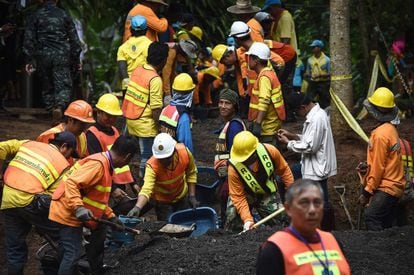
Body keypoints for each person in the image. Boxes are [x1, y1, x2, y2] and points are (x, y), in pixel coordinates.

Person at [49, 135, 139, 274]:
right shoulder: (98, 165)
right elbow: (71, 183)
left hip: (69, 208)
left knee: (67, 251)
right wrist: (78, 207)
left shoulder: (105, 164)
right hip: (67, 210)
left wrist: (111, 217)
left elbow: (97, 199)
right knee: (73, 254)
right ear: (127, 157)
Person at [0, 132, 78, 275]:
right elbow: (55, 197)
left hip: (7, 199)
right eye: (70, 154)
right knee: (65, 238)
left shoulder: (27, 144)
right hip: (30, 202)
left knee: (15, 250)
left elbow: (1, 147)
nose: (69, 158)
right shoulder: (62, 164)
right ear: (64, 147)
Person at [257, 179, 351, 275]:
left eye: (317, 202)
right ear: (288, 208)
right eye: (304, 203)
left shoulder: (333, 241)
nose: (312, 210)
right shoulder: (274, 249)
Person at [277, 91, 337, 230]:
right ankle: (295, 212)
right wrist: (293, 136)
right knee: (285, 177)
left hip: (317, 167)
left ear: (302, 107)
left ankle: (327, 230)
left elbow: (311, 146)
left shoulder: (317, 119)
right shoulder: (315, 115)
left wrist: (288, 143)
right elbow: (309, 138)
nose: (297, 115)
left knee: (321, 201)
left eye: (296, 112)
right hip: (311, 165)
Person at [22, 0, 81, 123]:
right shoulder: (64, 15)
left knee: (47, 85)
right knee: (63, 85)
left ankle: (51, 111)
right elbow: (74, 40)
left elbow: (29, 39)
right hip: (61, 55)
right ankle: (59, 108)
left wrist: (30, 59)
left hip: (42, 56)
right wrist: (75, 59)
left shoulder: (36, 15)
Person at [225, 131, 294, 232]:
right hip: (245, 194)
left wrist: (292, 194)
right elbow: (238, 196)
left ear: (254, 153)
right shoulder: (233, 168)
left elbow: (284, 170)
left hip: (266, 193)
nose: (243, 161)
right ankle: (236, 235)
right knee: (232, 215)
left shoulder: (270, 151)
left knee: (281, 221)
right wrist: (247, 220)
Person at [358, 87, 405, 230]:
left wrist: (367, 192)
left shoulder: (380, 135)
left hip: (387, 186)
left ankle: (380, 252)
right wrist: (368, 167)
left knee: (371, 217)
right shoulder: (390, 129)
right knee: (387, 225)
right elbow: (385, 160)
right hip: (396, 184)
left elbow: (378, 168)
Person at [122, 42, 169, 175]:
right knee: (147, 157)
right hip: (144, 125)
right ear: (164, 60)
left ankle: (124, 177)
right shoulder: (155, 79)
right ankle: (144, 182)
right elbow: (155, 109)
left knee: (127, 152)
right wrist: (160, 128)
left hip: (130, 120)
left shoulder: (138, 70)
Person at [127, 133, 198, 221]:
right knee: (166, 227)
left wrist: (192, 196)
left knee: (184, 223)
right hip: (162, 202)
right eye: (161, 159)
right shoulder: (152, 166)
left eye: (167, 158)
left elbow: (191, 173)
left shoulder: (184, 152)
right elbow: (147, 189)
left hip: (181, 196)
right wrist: (137, 207)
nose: (164, 161)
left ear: (174, 151)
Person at [86, 93, 137, 215]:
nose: (111, 119)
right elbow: (99, 166)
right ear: (98, 112)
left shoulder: (114, 131)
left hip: (118, 184)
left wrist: (133, 183)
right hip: (104, 186)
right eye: (108, 116)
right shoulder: (92, 135)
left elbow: (123, 158)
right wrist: (113, 188)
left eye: (114, 116)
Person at [214, 88, 246, 225]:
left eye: (227, 103)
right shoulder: (229, 124)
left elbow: (236, 156)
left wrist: (228, 181)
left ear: (234, 106)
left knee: (229, 211)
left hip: (231, 176)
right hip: (225, 175)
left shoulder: (234, 127)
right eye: (221, 102)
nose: (222, 106)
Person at [246, 42, 285, 145]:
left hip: (267, 129)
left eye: (250, 57)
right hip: (271, 125)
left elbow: (264, 101)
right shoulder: (270, 73)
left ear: (256, 60)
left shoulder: (264, 77)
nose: (247, 60)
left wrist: (258, 124)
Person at [159, 73, 195, 153]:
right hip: (176, 157)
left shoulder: (165, 109)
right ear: (190, 93)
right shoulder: (183, 116)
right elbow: (186, 145)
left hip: (163, 153)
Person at [117, 15, 152, 90]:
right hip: (145, 84)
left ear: (130, 29)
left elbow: (122, 68)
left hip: (129, 86)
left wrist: (127, 85)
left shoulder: (122, 47)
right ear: (146, 30)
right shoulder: (150, 45)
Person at [304, 39, 331, 109]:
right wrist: (307, 75)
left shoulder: (327, 60)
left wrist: (320, 75)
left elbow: (331, 73)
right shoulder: (310, 60)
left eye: (314, 47)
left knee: (325, 100)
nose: (312, 49)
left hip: (324, 83)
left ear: (319, 48)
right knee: (308, 98)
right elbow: (307, 72)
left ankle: (326, 115)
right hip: (313, 82)